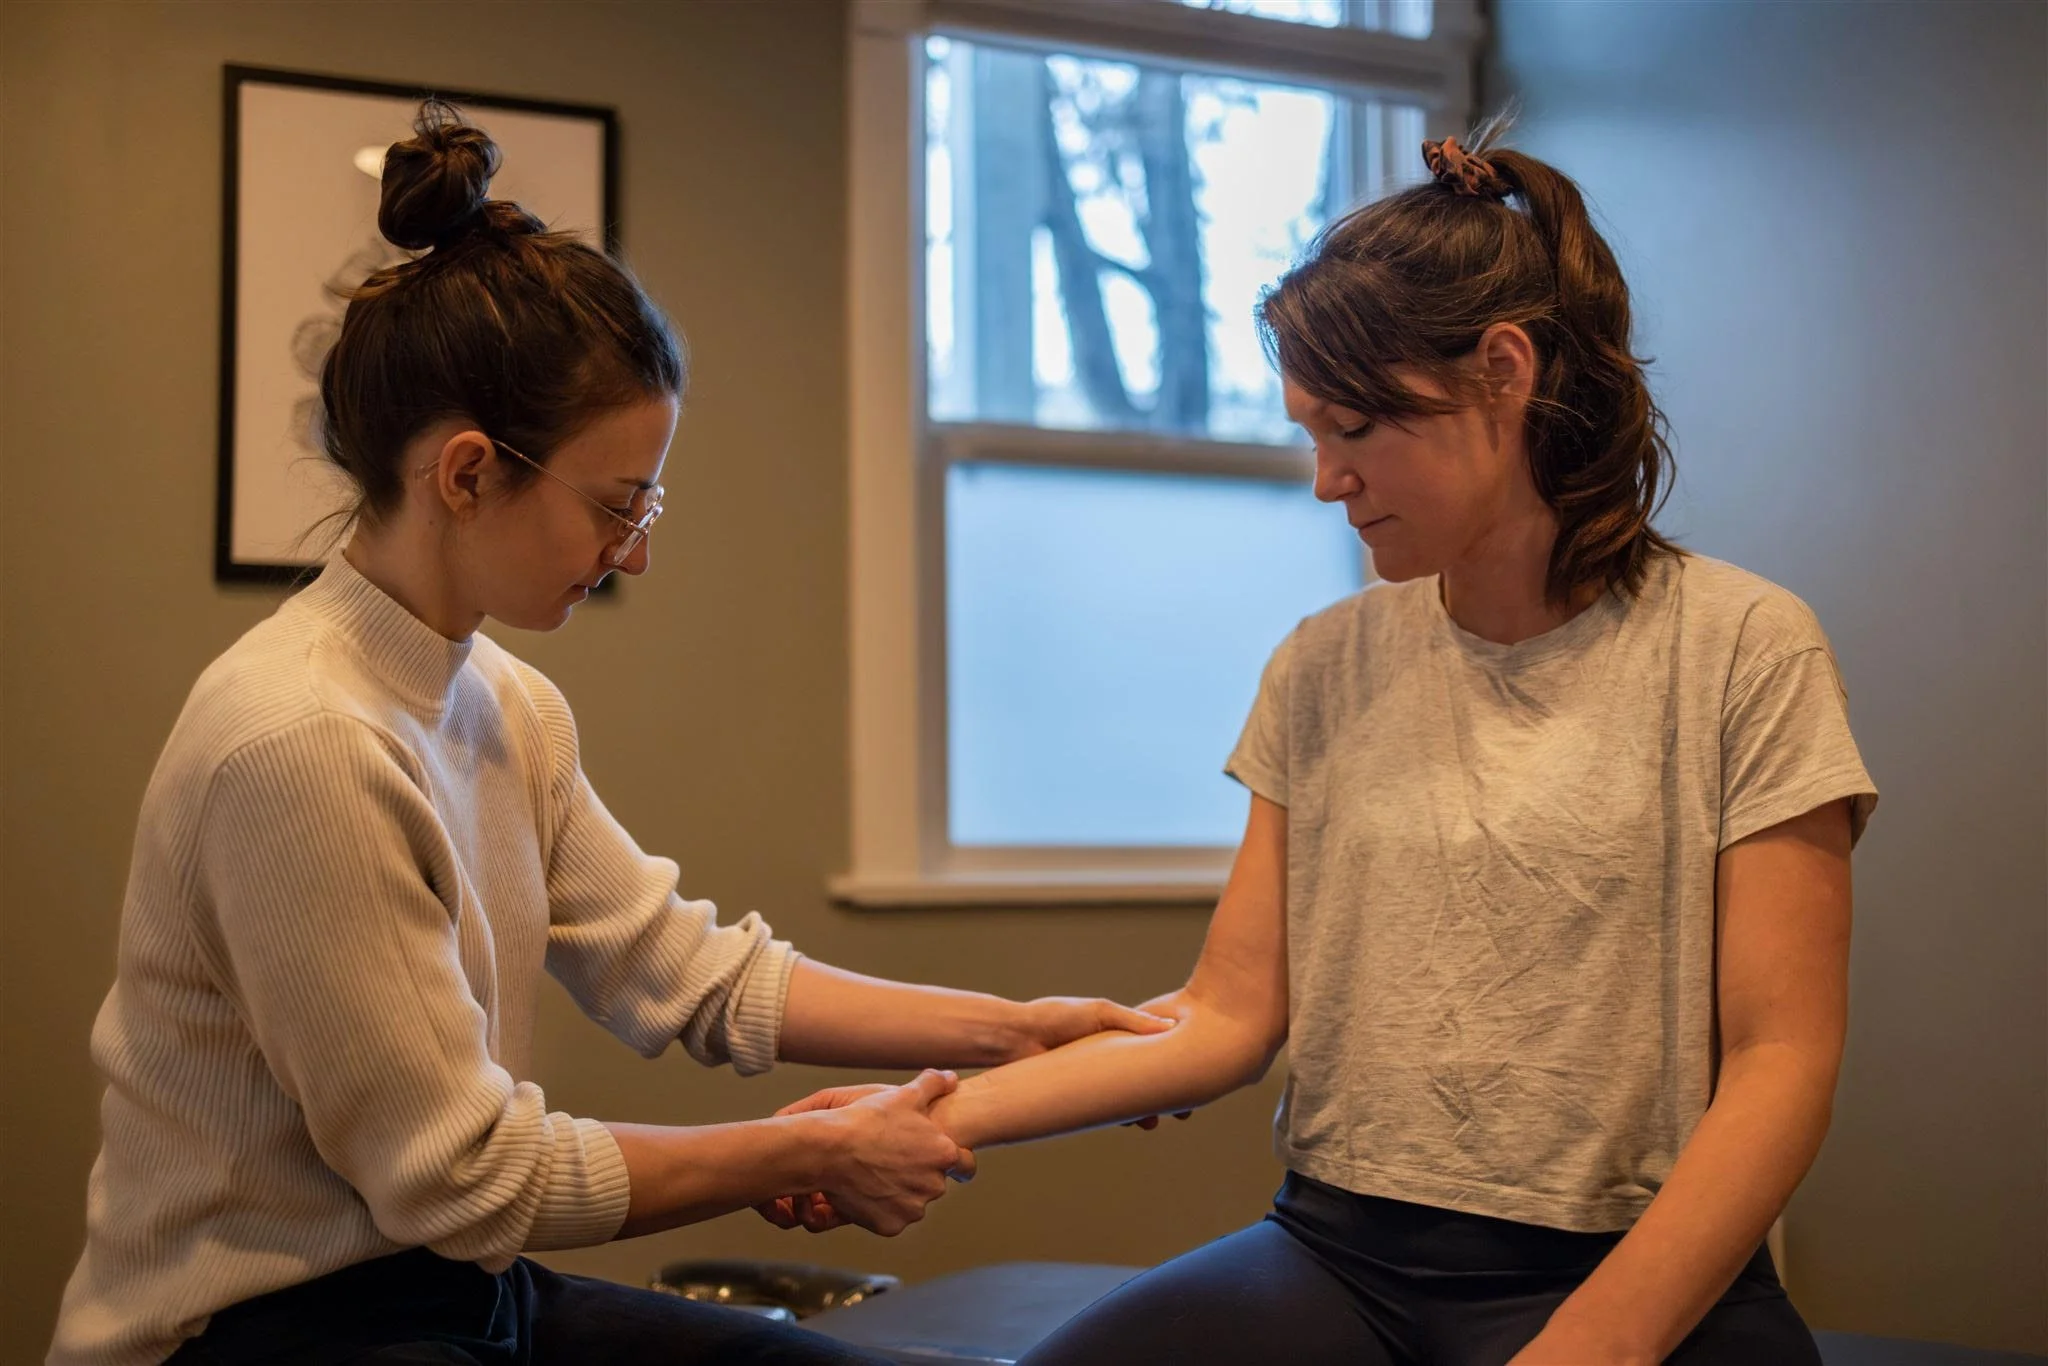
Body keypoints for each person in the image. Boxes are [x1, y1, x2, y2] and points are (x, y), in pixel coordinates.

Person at [47, 103, 1171, 1366]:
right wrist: (800, 1151)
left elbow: (683, 972)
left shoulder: (503, 705)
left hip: (452, 1288)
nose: (634, 548)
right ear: (467, 473)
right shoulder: (301, 743)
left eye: (649, 500)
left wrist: (1014, 1030)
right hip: (260, 1328)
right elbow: (461, 1179)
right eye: (615, 502)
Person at [770, 127, 1877, 1366]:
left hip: (1630, 1269)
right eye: (1309, 433)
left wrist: (1596, 1346)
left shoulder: (1740, 648)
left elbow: (1782, 1059)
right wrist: (914, 1114)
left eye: (1351, 428)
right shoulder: (1323, 661)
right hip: (1339, 1256)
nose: (1323, 480)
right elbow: (1223, 1020)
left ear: (1502, 372)